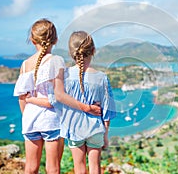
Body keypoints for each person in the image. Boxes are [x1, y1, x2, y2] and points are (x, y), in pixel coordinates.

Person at [13, 19, 101, 174]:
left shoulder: (25, 64)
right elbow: (59, 97)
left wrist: (29, 114)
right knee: (53, 168)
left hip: (29, 121)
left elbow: (22, 98)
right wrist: (86, 107)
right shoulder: (57, 61)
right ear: (55, 40)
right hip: (51, 121)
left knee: (30, 168)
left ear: (33, 40)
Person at [49, 31, 116, 174]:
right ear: (93, 51)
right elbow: (107, 111)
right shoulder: (101, 78)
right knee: (95, 168)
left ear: (71, 52)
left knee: (79, 168)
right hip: (96, 129)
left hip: (74, 129)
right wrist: (105, 135)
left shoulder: (64, 76)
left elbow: (54, 100)